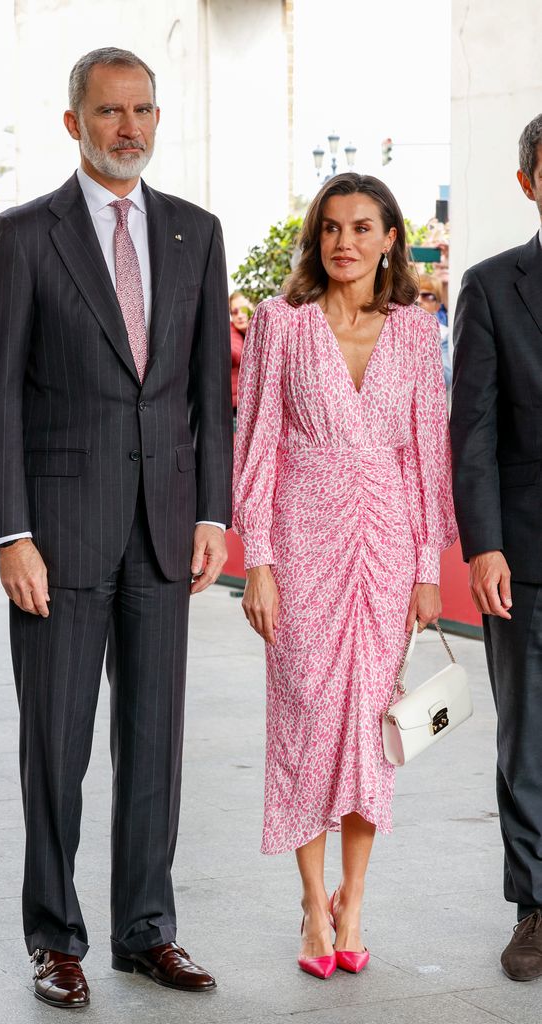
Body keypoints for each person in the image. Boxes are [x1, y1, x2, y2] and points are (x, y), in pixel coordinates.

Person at [0, 47, 232, 1009]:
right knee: (57, 750)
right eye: (111, 112)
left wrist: (212, 511)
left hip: (165, 531)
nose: (130, 128)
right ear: (72, 122)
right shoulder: (23, 236)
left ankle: (145, 932)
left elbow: (209, 392)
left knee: (154, 745)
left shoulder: (194, 234)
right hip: (59, 534)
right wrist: (11, 534)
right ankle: (56, 939)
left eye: (144, 111)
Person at [233, 172, 456, 979]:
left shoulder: (412, 332)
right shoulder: (279, 327)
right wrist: (256, 559)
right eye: (331, 228)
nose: (345, 243)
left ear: (391, 238)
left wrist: (427, 568)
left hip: (388, 550)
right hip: (300, 544)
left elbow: (428, 457)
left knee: (371, 732)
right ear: (315, 239)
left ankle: (353, 904)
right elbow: (255, 448)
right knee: (302, 721)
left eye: (363, 227)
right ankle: (309, 904)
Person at [450, 112, 542, 983]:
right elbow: (470, 430)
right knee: (531, 738)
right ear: (530, 182)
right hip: (530, 553)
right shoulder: (490, 286)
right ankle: (536, 910)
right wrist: (484, 545)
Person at [416, 273, 451, 391]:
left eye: (427, 296)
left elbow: (446, 377)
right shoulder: (397, 328)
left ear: (437, 306)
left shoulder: (443, 334)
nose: (419, 300)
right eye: (414, 295)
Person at [229, 290, 253, 413]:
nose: (239, 315)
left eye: (243, 309)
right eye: (234, 312)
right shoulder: (231, 331)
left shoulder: (263, 329)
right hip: (236, 408)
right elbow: (235, 352)